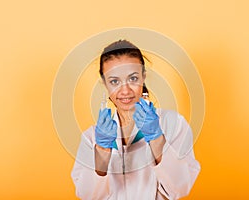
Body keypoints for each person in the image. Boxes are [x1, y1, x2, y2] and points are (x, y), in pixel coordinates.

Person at [71, 40, 200, 200]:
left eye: (132, 79)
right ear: (105, 83)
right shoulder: (91, 137)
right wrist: (102, 152)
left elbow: (181, 188)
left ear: (143, 76)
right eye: (114, 81)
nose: (125, 90)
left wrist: (157, 139)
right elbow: (88, 196)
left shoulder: (173, 124)